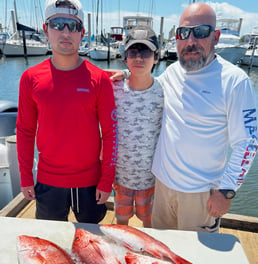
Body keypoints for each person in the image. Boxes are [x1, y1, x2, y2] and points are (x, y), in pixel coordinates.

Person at [109, 2, 257, 232]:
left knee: (198, 259)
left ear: (215, 37)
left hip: (200, 195)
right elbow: (147, 80)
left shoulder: (235, 81)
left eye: (200, 32)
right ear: (176, 37)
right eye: (183, 32)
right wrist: (127, 73)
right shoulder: (172, 72)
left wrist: (227, 191)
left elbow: (248, 143)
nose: (191, 40)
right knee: (162, 251)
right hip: (161, 187)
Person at [16, 0, 118, 223]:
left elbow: (111, 133)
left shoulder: (99, 79)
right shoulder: (30, 78)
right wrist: (25, 176)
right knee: (51, 244)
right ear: (46, 29)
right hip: (48, 180)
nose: (65, 32)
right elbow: (25, 130)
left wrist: (106, 180)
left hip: (90, 181)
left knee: (92, 245)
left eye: (73, 26)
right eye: (58, 24)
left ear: (82, 33)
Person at [112, 26, 164, 227]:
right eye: (133, 52)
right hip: (121, 176)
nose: (139, 58)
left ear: (156, 57)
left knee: (148, 222)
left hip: (151, 179)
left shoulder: (164, 89)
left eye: (146, 52)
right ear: (125, 57)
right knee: (121, 220)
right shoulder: (113, 87)